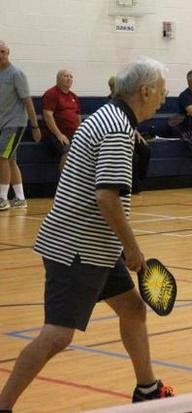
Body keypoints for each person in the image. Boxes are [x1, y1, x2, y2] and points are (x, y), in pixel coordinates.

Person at [0, 57, 174, 412]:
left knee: (132, 308)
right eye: (161, 91)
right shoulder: (117, 129)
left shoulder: (104, 116)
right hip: (77, 247)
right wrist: (132, 248)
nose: (163, 98)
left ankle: (147, 388)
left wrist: (118, 245)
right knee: (57, 335)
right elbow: (107, 196)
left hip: (94, 244)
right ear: (144, 91)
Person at [0, 40, 41, 211]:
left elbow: (28, 101)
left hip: (15, 124)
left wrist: (35, 127)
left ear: (8, 53)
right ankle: (20, 198)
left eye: (3, 51)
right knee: (10, 160)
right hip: (3, 124)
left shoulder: (16, 74)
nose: (1, 55)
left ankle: (2, 198)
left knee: (2, 157)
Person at [108, 76, 151, 193]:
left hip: (131, 131)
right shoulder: (110, 102)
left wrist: (136, 131)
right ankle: (130, 186)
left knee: (145, 150)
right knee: (132, 157)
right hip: (118, 134)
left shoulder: (125, 101)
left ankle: (140, 181)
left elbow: (130, 118)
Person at [41, 69, 81, 170]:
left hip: (73, 134)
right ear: (58, 79)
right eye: (66, 76)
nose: (69, 78)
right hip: (55, 134)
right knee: (68, 150)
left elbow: (78, 116)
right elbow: (47, 115)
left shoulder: (74, 96)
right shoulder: (51, 94)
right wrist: (59, 135)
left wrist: (80, 133)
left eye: (71, 77)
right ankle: (63, 179)